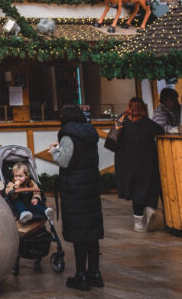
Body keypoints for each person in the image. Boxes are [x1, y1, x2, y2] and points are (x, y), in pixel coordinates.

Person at [50, 103, 104, 291]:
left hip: (75, 188)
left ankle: (81, 275)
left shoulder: (67, 134)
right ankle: (95, 273)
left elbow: (65, 160)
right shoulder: (89, 132)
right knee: (92, 232)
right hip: (90, 185)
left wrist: (54, 151)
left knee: (80, 233)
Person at [114, 96, 164, 232]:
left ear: (128, 108)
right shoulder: (147, 123)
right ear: (143, 108)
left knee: (135, 190)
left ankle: (138, 222)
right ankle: (149, 208)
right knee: (148, 185)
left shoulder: (121, 120)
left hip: (127, 163)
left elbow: (114, 136)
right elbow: (161, 131)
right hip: (147, 162)